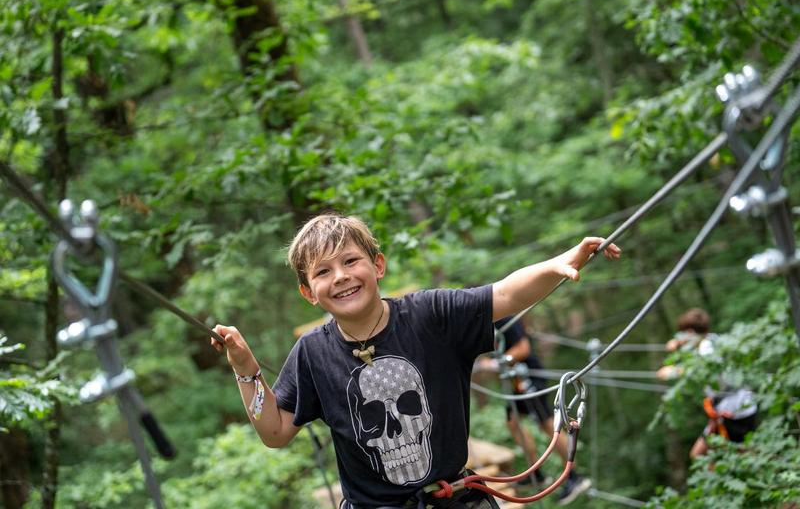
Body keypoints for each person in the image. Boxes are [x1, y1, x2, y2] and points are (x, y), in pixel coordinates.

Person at [210, 214, 620, 508]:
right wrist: (246, 369)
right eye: (323, 271)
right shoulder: (313, 353)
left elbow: (506, 295)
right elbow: (276, 432)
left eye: (351, 261)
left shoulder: (430, 315)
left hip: (456, 499)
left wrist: (559, 262)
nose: (340, 276)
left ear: (378, 265)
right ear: (308, 292)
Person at [477, 317, 592, 505]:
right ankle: (536, 473)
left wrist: (498, 363)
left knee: (547, 424)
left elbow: (523, 348)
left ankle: (573, 475)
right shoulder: (488, 327)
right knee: (512, 422)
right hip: (516, 383)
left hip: (529, 378)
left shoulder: (504, 319)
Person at [657, 308, 757, 459]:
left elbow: (702, 367)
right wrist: (678, 343)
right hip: (738, 405)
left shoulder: (706, 348)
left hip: (734, 409)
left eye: (682, 334)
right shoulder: (712, 339)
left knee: (738, 455)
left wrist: (673, 371)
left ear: (690, 333)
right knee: (705, 454)